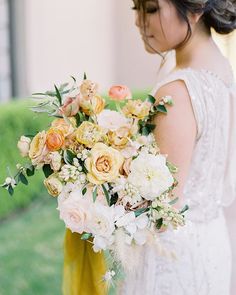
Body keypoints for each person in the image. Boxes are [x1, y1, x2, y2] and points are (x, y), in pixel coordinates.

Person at [118, 0, 236, 294]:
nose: (139, 21)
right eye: (137, 9)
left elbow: (161, 210)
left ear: (195, 10)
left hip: (173, 259)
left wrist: (94, 197)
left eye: (151, 9)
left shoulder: (177, 92)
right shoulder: (220, 67)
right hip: (211, 242)